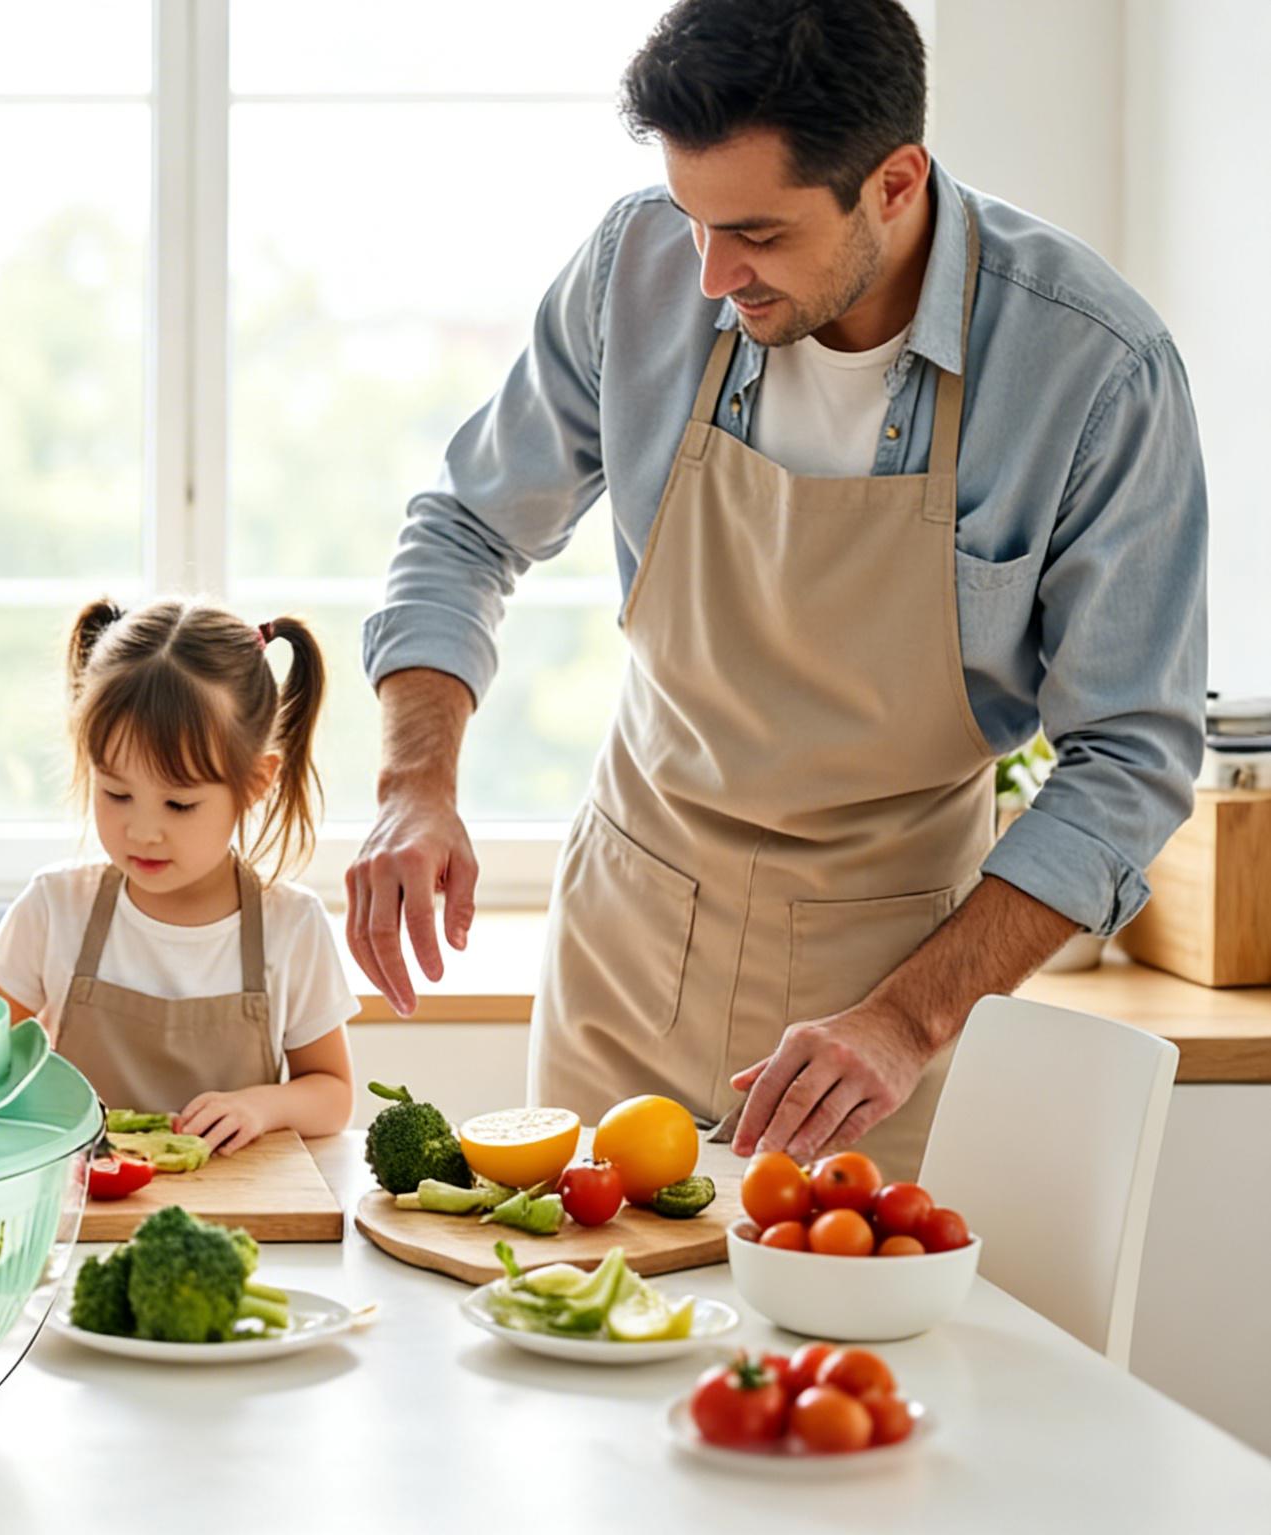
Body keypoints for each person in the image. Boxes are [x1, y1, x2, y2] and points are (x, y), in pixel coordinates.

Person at [344, 0, 1205, 1179]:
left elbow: (1129, 758)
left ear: (894, 183)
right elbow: (465, 525)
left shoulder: (1094, 370)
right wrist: (413, 785)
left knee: (834, 1307)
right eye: (694, 218)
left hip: (886, 1006)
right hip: (626, 950)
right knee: (569, 1291)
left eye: (755, 231)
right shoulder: (638, 265)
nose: (710, 273)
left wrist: (907, 1020)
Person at [0, 598, 355, 1153]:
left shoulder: (292, 925)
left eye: (179, 804)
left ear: (256, 782)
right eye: (116, 793)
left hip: (237, 1198)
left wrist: (261, 1106)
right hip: (85, 1196)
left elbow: (333, 1095)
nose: (142, 832)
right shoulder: (54, 908)